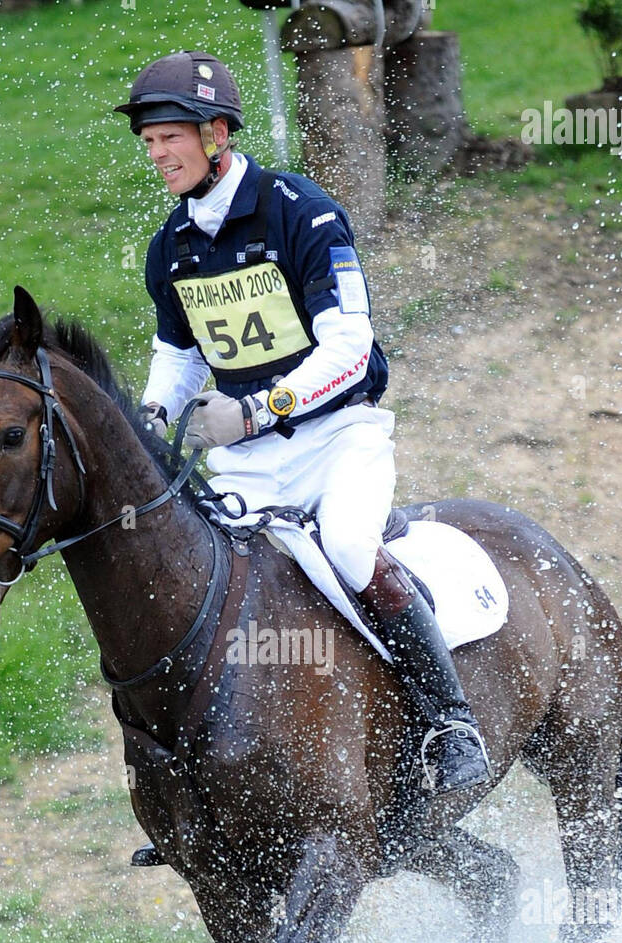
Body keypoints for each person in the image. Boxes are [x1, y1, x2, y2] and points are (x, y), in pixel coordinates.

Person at [116, 50, 490, 795]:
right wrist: (153, 418)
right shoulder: (172, 248)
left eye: (170, 138)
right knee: (207, 587)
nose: (157, 155)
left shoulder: (300, 208)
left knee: (350, 548)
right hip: (247, 464)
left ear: (216, 132)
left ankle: (453, 723)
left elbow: (350, 346)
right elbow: (178, 354)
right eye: (149, 141)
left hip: (337, 439)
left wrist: (260, 406)